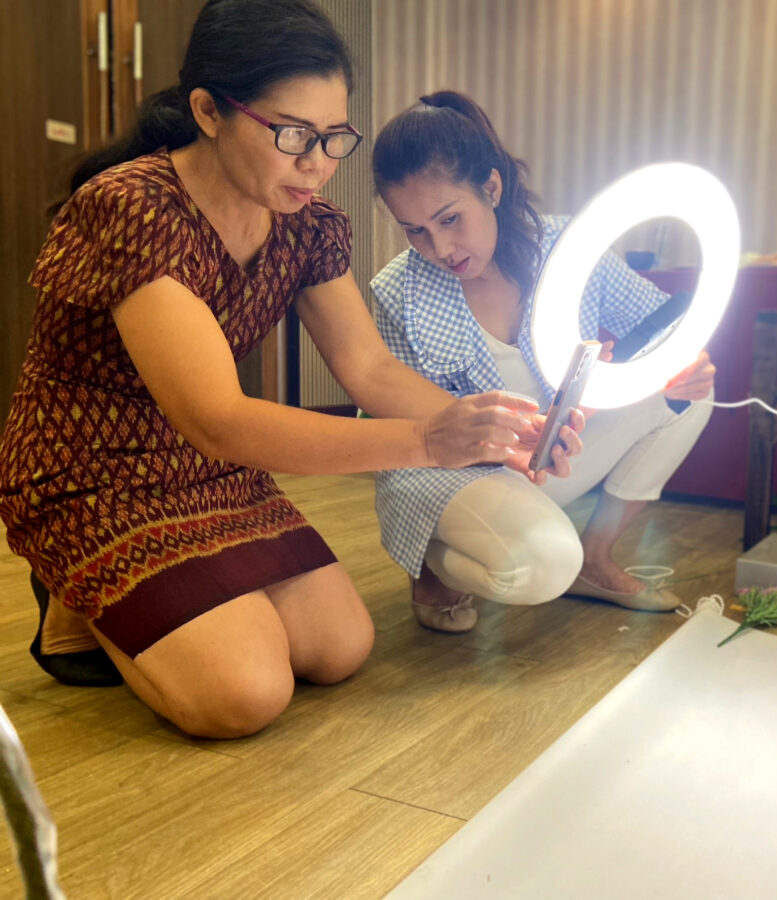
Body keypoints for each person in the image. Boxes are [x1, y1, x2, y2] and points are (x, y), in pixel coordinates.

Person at [0, 1, 579, 739]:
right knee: (247, 693)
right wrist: (429, 442)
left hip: (206, 469)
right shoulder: (134, 209)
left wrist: (501, 429)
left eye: (334, 138)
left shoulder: (307, 224)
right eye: (294, 135)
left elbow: (367, 366)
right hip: (93, 470)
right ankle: (73, 592)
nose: (318, 164)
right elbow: (220, 419)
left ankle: (134, 603)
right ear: (208, 111)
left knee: (340, 648)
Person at [369, 90, 716, 634]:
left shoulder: (569, 249)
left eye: (450, 219)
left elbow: (662, 323)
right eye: (415, 229)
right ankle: (433, 565)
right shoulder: (399, 294)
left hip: (547, 453)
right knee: (544, 566)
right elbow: (406, 437)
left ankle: (595, 556)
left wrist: (685, 360)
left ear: (491, 187)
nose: (440, 248)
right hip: (452, 477)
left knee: (687, 394)